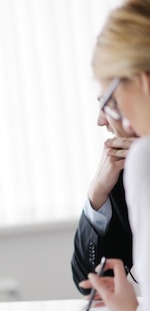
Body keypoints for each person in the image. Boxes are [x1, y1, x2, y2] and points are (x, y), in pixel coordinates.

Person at [81, 0, 150, 311]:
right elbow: (87, 279)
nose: (105, 118)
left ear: (142, 81)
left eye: (109, 98)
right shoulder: (127, 164)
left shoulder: (144, 158)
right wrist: (97, 195)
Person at [71, 106, 137, 295]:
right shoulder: (123, 173)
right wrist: (97, 192)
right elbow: (90, 285)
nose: (100, 121)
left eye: (108, 104)